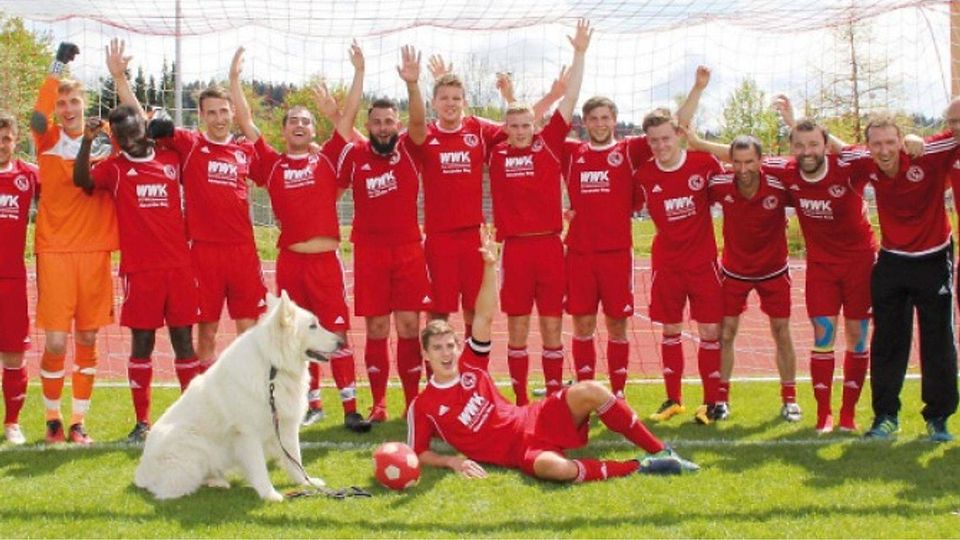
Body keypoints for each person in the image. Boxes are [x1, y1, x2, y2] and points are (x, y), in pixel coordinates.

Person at [408, 225, 698, 481]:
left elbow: (483, 316)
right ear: (426, 355)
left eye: (450, 345)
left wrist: (489, 266)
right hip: (520, 451)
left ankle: (661, 451)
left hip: (536, 416)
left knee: (591, 390)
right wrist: (452, 461)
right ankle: (641, 467)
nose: (446, 354)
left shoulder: (471, 365)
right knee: (553, 469)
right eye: (438, 348)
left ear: (458, 347)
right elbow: (418, 452)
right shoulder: (423, 406)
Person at [229, 44, 372, 433]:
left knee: (336, 331)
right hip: (291, 262)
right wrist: (235, 80)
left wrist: (359, 72)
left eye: (306, 122)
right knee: (296, 334)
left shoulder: (327, 157)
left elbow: (349, 117)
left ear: (313, 130)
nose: (299, 125)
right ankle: (313, 404)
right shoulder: (272, 164)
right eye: (292, 120)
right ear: (283, 129)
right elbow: (245, 120)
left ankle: (350, 408)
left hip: (326, 262)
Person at [113, 51, 267, 373]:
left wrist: (235, 80)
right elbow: (142, 122)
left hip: (242, 251)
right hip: (203, 252)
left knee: (249, 332)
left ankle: (249, 393)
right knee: (207, 332)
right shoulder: (191, 144)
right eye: (212, 112)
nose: (219, 118)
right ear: (201, 115)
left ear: (232, 112)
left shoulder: (244, 150)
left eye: (224, 111)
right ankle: (207, 395)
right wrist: (120, 78)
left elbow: (259, 141)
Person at [562, 67, 709, 398]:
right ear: (585, 123)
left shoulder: (629, 151)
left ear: (614, 120)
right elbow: (533, 131)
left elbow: (675, 126)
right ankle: (584, 392)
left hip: (616, 254)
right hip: (580, 253)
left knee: (617, 324)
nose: (600, 124)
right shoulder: (572, 153)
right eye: (593, 119)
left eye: (605, 118)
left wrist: (697, 89)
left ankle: (618, 393)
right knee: (582, 325)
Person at [73, 102, 201, 442]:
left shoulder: (170, 159)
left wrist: (167, 126)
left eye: (133, 133)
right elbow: (81, 180)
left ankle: (193, 418)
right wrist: (87, 141)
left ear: (144, 128)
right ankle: (143, 423)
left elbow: (193, 147)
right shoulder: (114, 169)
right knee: (142, 343)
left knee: (183, 341)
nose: (129, 142)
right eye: (121, 137)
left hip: (179, 266)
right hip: (140, 271)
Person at [420, 57, 564, 339]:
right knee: (438, 312)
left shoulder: (478, 129)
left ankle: (474, 364)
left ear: (465, 101)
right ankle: (436, 364)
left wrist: (552, 96)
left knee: (475, 308)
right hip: (438, 238)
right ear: (433, 102)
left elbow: (518, 122)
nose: (451, 103)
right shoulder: (423, 133)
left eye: (456, 98)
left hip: (473, 236)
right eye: (444, 98)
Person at [487, 19, 591, 405]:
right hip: (514, 250)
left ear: (535, 124)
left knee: (551, 327)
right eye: (513, 125)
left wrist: (579, 54)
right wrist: (511, 96)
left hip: (549, 247)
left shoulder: (548, 144)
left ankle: (552, 396)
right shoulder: (495, 152)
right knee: (516, 329)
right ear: (505, 127)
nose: (519, 130)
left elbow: (571, 98)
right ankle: (519, 400)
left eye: (525, 124)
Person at [841, 114, 958, 441]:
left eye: (891, 142)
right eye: (877, 144)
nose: (884, 150)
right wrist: (794, 120)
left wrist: (922, 138)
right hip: (892, 260)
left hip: (933, 258)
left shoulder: (928, 152)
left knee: (938, 342)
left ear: (901, 140)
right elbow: (831, 148)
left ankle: (938, 417)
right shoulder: (865, 162)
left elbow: (956, 132)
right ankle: (886, 416)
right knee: (887, 342)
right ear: (868, 147)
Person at [335, 45, 431, 420]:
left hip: (408, 249)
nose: (383, 128)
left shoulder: (409, 147)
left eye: (389, 121)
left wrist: (413, 85)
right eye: (376, 122)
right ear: (369, 124)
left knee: (408, 325)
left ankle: (411, 402)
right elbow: (331, 188)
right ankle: (378, 404)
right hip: (369, 252)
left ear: (397, 123)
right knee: (376, 327)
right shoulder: (355, 154)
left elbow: (420, 122)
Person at [31, 42, 117, 445]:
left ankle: (79, 422)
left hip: (95, 251)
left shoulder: (105, 142)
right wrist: (57, 66)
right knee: (55, 341)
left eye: (74, 101)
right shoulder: (47, 138)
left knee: (87, 338)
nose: (67, 108)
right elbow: (36, 114)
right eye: (61, 103)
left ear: (85, 104)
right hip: (54, 251)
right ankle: (52, 418)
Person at [632, 108, 724, 425]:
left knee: (710, 331)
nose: (661, 145)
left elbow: (742, 166)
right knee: (670, 329)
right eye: (654, 140)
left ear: (678, 136)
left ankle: (711, 402)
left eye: (666, 138)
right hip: (667, 264)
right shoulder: (644, 174)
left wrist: (702, 142)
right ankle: (673, 399)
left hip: (703, 263)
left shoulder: (703, 163)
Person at [703, 135, 801, 422]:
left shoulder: (778, 184)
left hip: (774, 271)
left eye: (749, 162)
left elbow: (808, 175)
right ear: (730, 162)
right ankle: (721, 399)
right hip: (734, 271)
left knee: (781, 331)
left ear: (761, 161)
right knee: (726, 332)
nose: (743, 169)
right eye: (737, 162)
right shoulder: (721, 184)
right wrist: (695, 139)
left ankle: (790, 400)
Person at [0, 113, 38, 445]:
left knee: (14, 353)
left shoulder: (28, 175)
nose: (1, 145)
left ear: (15, 140)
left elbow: (64, 186)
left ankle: (12, 422)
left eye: (6, 139)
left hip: (11, 279)